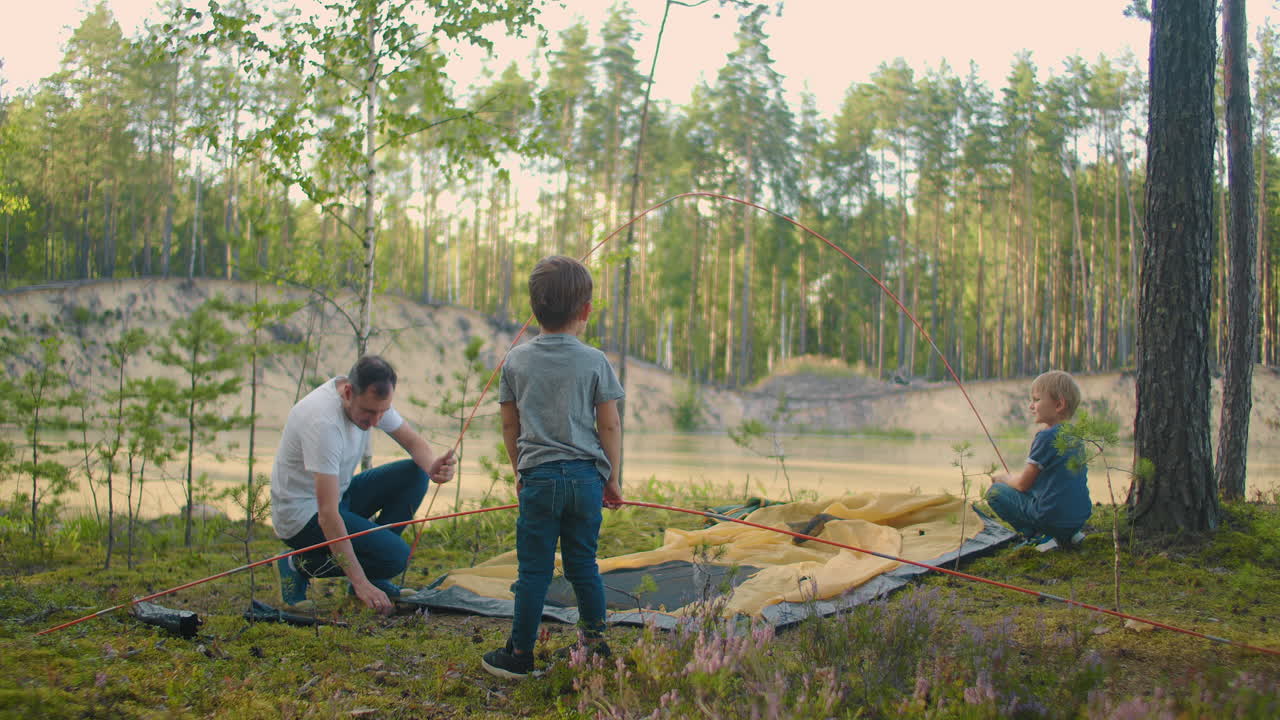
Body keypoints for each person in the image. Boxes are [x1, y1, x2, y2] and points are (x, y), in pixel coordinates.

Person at [481, 255, 625, 680]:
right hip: (585, 479)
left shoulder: (515, 361)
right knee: (584, 565)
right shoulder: (595, 360)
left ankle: (520, 654)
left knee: (534, 571)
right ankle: (594, 646)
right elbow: (610, 425)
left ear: (534, 309)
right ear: (586, 310)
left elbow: (510, 424)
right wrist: (612, 478)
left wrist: (519, 471)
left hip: (539, 479)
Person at [271, 354, 456, 614]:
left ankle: (374, 574)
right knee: (395, 558)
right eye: (369, 413)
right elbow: (327, 515)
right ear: (348, 393)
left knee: (415, 473)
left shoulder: (370, 398)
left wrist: (432, 468)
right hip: (301, 516)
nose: (376, 422)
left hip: (338, 496)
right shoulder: (323, 423)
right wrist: (360, 583)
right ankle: (296, 564)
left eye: (383, 412)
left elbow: (415, 444)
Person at [986, 370, 1091, 551]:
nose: (1031, 406)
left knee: (995, 493)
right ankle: (1071, 535)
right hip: (1078, 517)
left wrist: (1004, 478)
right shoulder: (1076, 436)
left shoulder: (1046, 437)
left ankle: (1039, 537)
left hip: (1051, 518)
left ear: (1059, 405)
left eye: (1036, 400)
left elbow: (1023, 485)